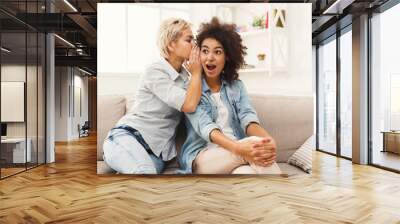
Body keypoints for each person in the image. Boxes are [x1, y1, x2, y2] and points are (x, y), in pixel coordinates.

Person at [179, 17, 282, 174]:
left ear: (227, 56)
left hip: (236, 153)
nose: (210, 57)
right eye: (205, 51)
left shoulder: (236, 86)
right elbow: (205, 126)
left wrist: (269, 141)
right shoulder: (190, 88)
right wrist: (239, 148)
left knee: (247, 174)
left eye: (217, 52)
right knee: (256, 146)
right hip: (204, 156)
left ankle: (277, 196)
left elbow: (248, 118)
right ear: (198, 54)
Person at [103, 18, 202, 174]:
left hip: (157, 153)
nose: (195, 45)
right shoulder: (155, 71)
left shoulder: (185, 78)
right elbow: (189, 105)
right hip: (128, 138)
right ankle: (118, 156)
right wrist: (196, 73)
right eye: (189, 40)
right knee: (145, 174)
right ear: (171, 44)